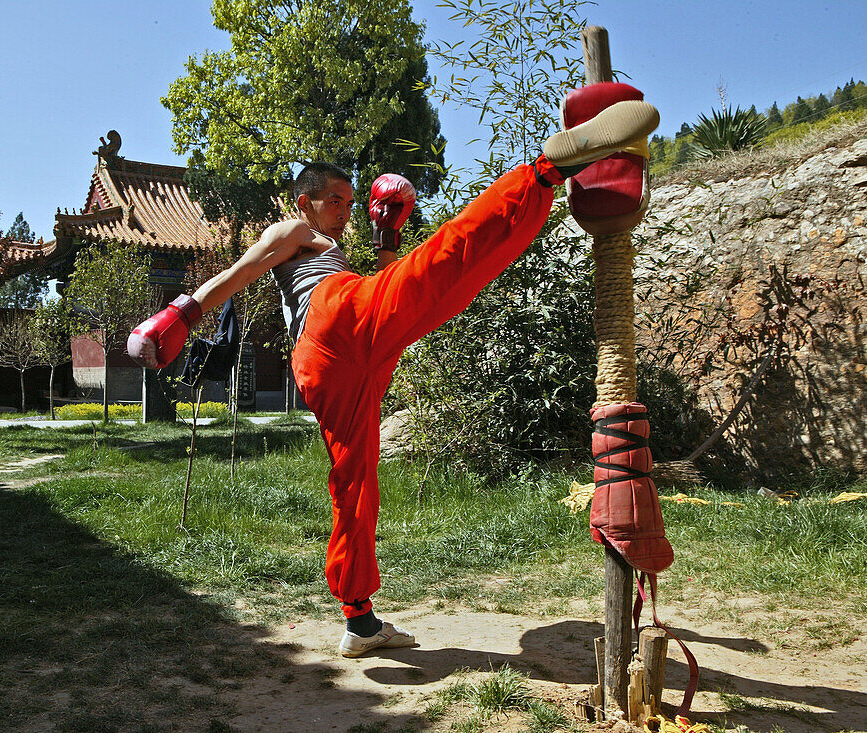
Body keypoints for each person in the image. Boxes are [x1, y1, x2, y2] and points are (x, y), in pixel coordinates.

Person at [128, 99, 659, 657]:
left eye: (351, 203)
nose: (344, 211)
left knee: (359, 473)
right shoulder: (291, 229)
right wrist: (183, 313)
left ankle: (359, 620)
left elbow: (390, 290)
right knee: (441, 266)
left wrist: (386, 243)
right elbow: (243, 271)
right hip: (334, 322)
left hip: (337, 364)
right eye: (334, 200)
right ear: (303, 201)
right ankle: (546, 169)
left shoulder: (332, 248)